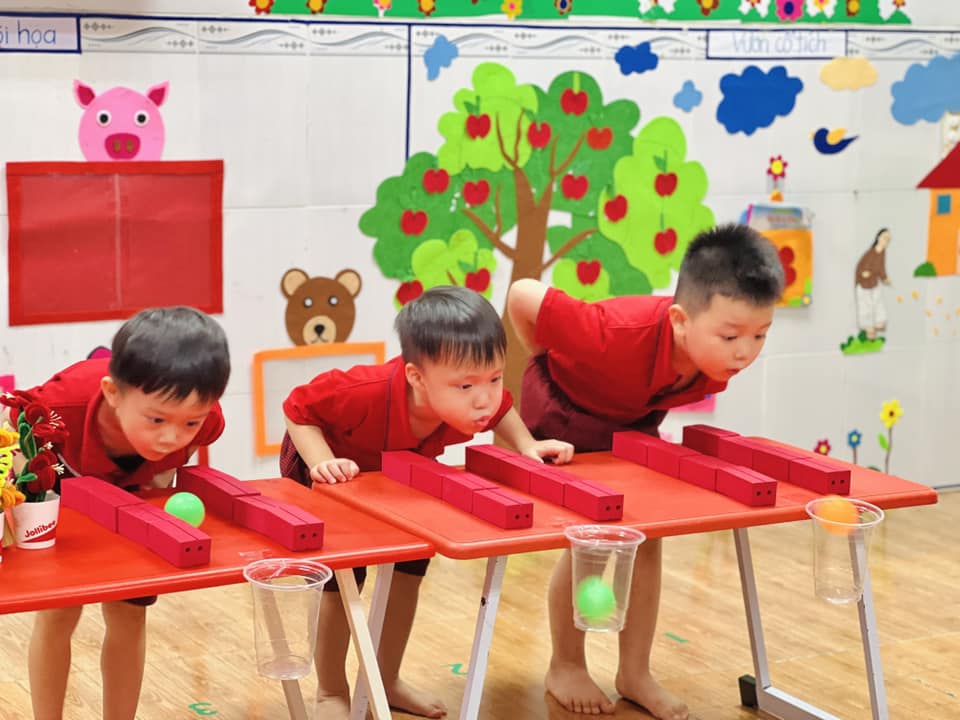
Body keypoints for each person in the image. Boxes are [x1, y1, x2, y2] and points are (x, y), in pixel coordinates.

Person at [507, 223, 784, 719]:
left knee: (649, 531)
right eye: (730, 336)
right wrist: (542, 356)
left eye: (760, 335)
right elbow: (522, 294)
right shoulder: (610, 333)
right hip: (564, 411)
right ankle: (565, 664)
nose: (745, 352)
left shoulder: (711, 356)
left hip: (630, 417)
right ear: (680, 320)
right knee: (591, 536)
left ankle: (633, 672)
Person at [280, 285, 573, 720]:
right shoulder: (365, 390)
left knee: (410, 571)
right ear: (417, 378)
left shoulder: (470, 400)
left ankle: (386, 679)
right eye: (467, 384)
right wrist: (323, 462)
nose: (484, 397)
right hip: (328, 471)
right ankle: (330, 692)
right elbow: (297, 409)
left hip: (397, 474)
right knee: (344, 582)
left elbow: (500, 410)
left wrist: (527, 445)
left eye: (495, 378)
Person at [3, 306, 230, 720]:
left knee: (129, 614)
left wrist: (159, 475)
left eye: (189, 424)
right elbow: (12, 423)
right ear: (113, 393)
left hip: (134, 497)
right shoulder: (61, 404)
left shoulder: (207, 418)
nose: (171, 437)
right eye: (157, 419)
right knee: (59, 613)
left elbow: (189, 442)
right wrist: (31, 495)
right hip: (62, 481)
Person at [855, 228, 891, 340]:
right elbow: (862, 266)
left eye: (888, 239)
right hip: (864, 284)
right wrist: (863, 273)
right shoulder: (871, 252)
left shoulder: (882, 252)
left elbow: (881, 267)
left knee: (878, 302)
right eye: (885, 238)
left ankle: (879, 321)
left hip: (874, 282)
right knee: (866, 305)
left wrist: (884, 278)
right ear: (878, 238)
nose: (886, 241)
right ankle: (868, 327)